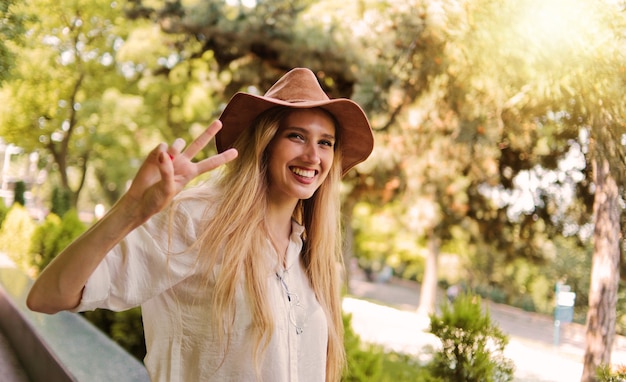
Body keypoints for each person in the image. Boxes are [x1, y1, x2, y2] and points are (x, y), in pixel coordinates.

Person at [27, 67, 374, 382]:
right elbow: (48, 296)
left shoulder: (310, 252)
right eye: (296, 136)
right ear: (265, 142)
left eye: (325, 142)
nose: (313, 156)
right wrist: (131, 210)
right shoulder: (198, 220)